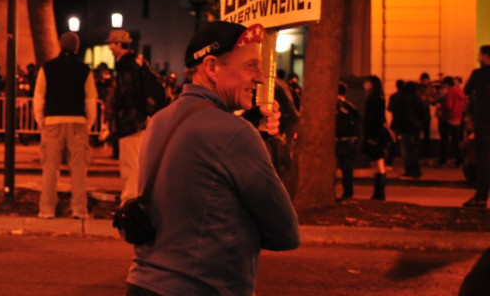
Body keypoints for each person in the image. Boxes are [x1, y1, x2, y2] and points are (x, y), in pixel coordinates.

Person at [125, 21, 299, 296]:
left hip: (143, 284)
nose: (261, 77)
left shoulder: (159, 121)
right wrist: (269, 142)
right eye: (250, 66)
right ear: (211, 67)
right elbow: (286, 232)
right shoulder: (235, 134)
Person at [33, 32, 98, 219]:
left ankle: (46, 209)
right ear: (77, 47)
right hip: (77, 122)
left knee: (50, 168)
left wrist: (40, 120)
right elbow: (91, 99)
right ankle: (79, 209)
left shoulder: (48, 68)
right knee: (78, 169)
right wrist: (89, 122)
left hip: (53, 122)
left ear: (60, 46)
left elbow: (39, 97)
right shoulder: (84, 70)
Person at [107, 29, 148, 203]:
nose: (109, 47)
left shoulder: (126, 66)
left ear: (118, 44)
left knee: (130, 162)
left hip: (130, 121)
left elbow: (125, 94)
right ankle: (134, 196)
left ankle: (130, 199)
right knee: (135, 161)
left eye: (111, 43)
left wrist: (115, 101)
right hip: (138, 119)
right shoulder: (137, 64)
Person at [462, 45, 490, 209]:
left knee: (484, 158)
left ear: (486, 56)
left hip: (484, 119)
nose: (477, 57)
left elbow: (467, 89)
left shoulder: (479, 74)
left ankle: (480, 197)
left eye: (479, 55)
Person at [361, 75, 391, 200]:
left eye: (367, 82)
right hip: (374, 133)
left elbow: (377, 119)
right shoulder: (376, 98)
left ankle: (379, 193)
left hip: (375, 134)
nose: (364, 85)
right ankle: (378, 192)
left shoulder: (375, 99)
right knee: (376, 162)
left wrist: (374, 137)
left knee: (378, 162)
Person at [388, 81, 424, 178]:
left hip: (406, 128)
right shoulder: (417, 99)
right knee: (414, 150)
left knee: (407, 151)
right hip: (416, 127)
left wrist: (397, 127)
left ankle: (409, 170)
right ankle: (416, 170)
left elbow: (398, 114)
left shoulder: (402, 99)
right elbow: (423, 113)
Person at [335, 82, 360, 199]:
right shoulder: (350, 106)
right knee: (348, 170)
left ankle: (333, 191)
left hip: (339, 141)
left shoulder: (335, 106)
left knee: (333, 168)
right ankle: (348, 192)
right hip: (351, 141)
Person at [436, 76, 466, 168]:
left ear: (447, 84)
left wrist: (440, 107)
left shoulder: (450, 92)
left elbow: (448, 106)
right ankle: (459, 161)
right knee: (456, 141)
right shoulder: (460, 92)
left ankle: (443, 161)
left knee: (444, 140)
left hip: (448, 118)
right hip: (458, 118)